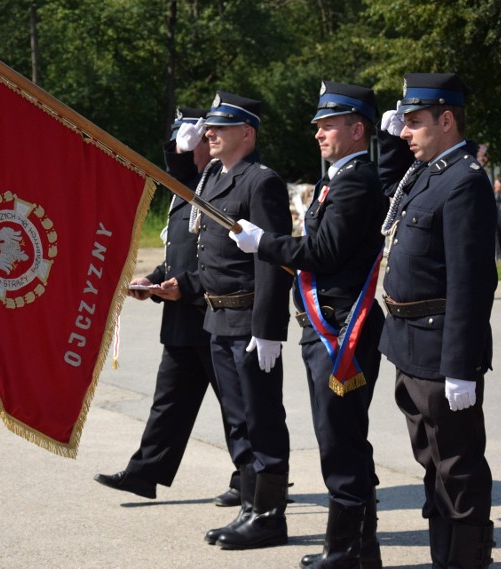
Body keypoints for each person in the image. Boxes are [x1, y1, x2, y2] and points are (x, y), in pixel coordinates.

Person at [230, 81, 386, 569]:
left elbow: (323, 252)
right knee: (344, 435)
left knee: (339, 439)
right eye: (318, 125)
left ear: (356, 129)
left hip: (342, 327)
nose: (318, 133)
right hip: (330, 324)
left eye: (328, 125)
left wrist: (266, 243)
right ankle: (359, 548)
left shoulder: (356, 179)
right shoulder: (338, 179)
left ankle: (346, 550)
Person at [378, 72, 497, 568]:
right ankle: (444, 558)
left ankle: (468, 561)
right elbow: (388, 189)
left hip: (441, 350)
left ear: (446, 120)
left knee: (458, 466)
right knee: (432, 465)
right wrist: (389, 141)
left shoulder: (465, 181)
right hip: (409, 347)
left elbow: (471, 285)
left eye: (415, 122)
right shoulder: (428, 172)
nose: (407, 133)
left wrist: (460, 366)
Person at [94, 107, 240, 504]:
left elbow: (223, 260)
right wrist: (153, 280)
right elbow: (179, 256)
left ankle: (253, 479)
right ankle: (146, 472)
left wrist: (184, 286)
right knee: (169, 402)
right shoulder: (186, 193)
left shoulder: (222, 189)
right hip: (181, 317)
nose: (180, 151)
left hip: (213, 311)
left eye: (187, 142)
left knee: (237, 404)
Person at [181, 91, 293, 550]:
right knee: (237, 420)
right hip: (217, 318)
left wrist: (268, 329)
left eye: (220, 127)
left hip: (249, 319)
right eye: (210, 126)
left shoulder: (260, 182)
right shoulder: (214, 178)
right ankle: (250, 507)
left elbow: (273, 261)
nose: (211, 133)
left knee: (261, 418)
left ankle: (268, 517)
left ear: (246, 133)